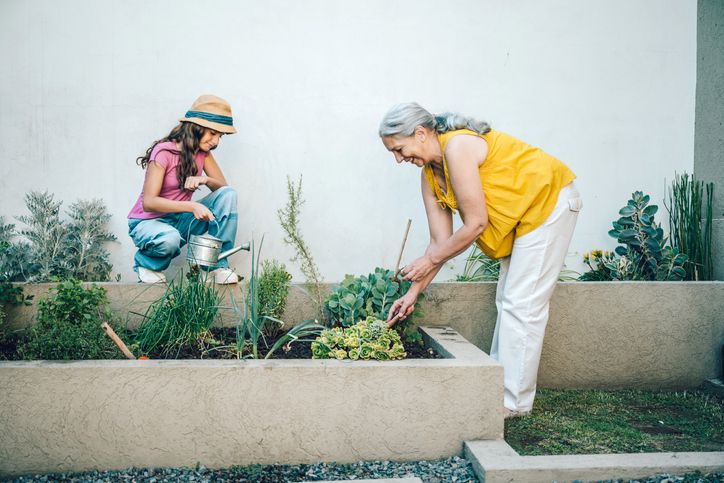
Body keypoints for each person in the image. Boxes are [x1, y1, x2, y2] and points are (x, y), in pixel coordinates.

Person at [379, 102, 582, 417]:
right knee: (509, 302)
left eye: (399, 148)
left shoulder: (457, 147)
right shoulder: (430, 176)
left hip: (547, 202)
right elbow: (440, 243)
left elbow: (475, 224)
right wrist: (412, 293)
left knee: (522, 305)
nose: (398, 158)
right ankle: (499, 391)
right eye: (392, 152)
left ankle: (513, 403)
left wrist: (429, 260)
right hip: (522, 215)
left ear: (420, 133)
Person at [127, 94, 241, 284]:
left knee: (228, 195)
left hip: (178, 220)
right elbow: (149, 202)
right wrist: (192, 207)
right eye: (213, 133)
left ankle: (216, 265)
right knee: (169, 239)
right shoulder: (163, 152)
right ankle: (145, 263)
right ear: (196, 127)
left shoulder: (203, 154)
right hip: (147, 222)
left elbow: (223, 189)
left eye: (220, 136)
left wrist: (204, 179)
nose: (216, 141)